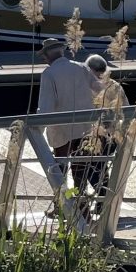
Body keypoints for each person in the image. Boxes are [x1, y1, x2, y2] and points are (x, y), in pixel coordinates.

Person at [35, 40, 105, 209]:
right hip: (85, 127)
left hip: (61, 129)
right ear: (61, 52)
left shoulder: (49, 74)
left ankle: (62, 207)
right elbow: (100, 89)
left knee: (60, 169)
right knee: (80, 169)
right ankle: (82, 206)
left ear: (46, 56)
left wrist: (37, 130)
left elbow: (46, 107)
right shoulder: (81, 67)